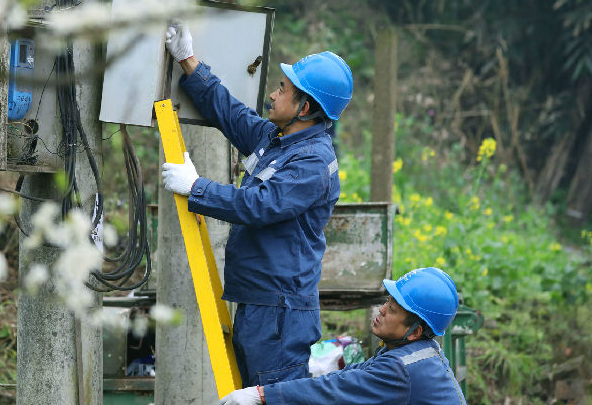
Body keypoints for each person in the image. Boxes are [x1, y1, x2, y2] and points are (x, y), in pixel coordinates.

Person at [160, 23, 354, 386]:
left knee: (272, 397)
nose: (273, 95)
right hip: (260, 303)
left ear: (305, 107)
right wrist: (187, 59)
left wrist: (196, 188)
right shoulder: (279, 140)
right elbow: (232, 115)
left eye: (283, 89)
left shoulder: (312, 162)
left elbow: (260, 205)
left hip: (280, 314)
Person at [217, 267, 466, 405]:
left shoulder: (400, 369)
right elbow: (353, 375)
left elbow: (336, 389)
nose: (381, 310)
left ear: (415, 332)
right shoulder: (413, 354)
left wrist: (261, 395)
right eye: (387, 301)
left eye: (392, 310)